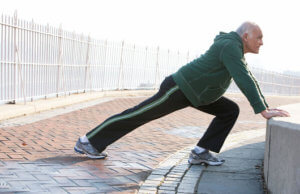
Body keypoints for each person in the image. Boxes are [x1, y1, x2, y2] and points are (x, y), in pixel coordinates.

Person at [74, 21, 290, 165]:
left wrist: (264, 105)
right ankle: (89, 141)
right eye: (259, 37)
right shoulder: (230, 47)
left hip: (198, 95)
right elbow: (243, 78)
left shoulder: (235, 49)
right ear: (245, 36)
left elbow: (248, 77)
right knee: (139, 114)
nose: (261, 42)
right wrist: (262, 110)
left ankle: (201, 152)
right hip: (179, 88)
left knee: (229, 110)